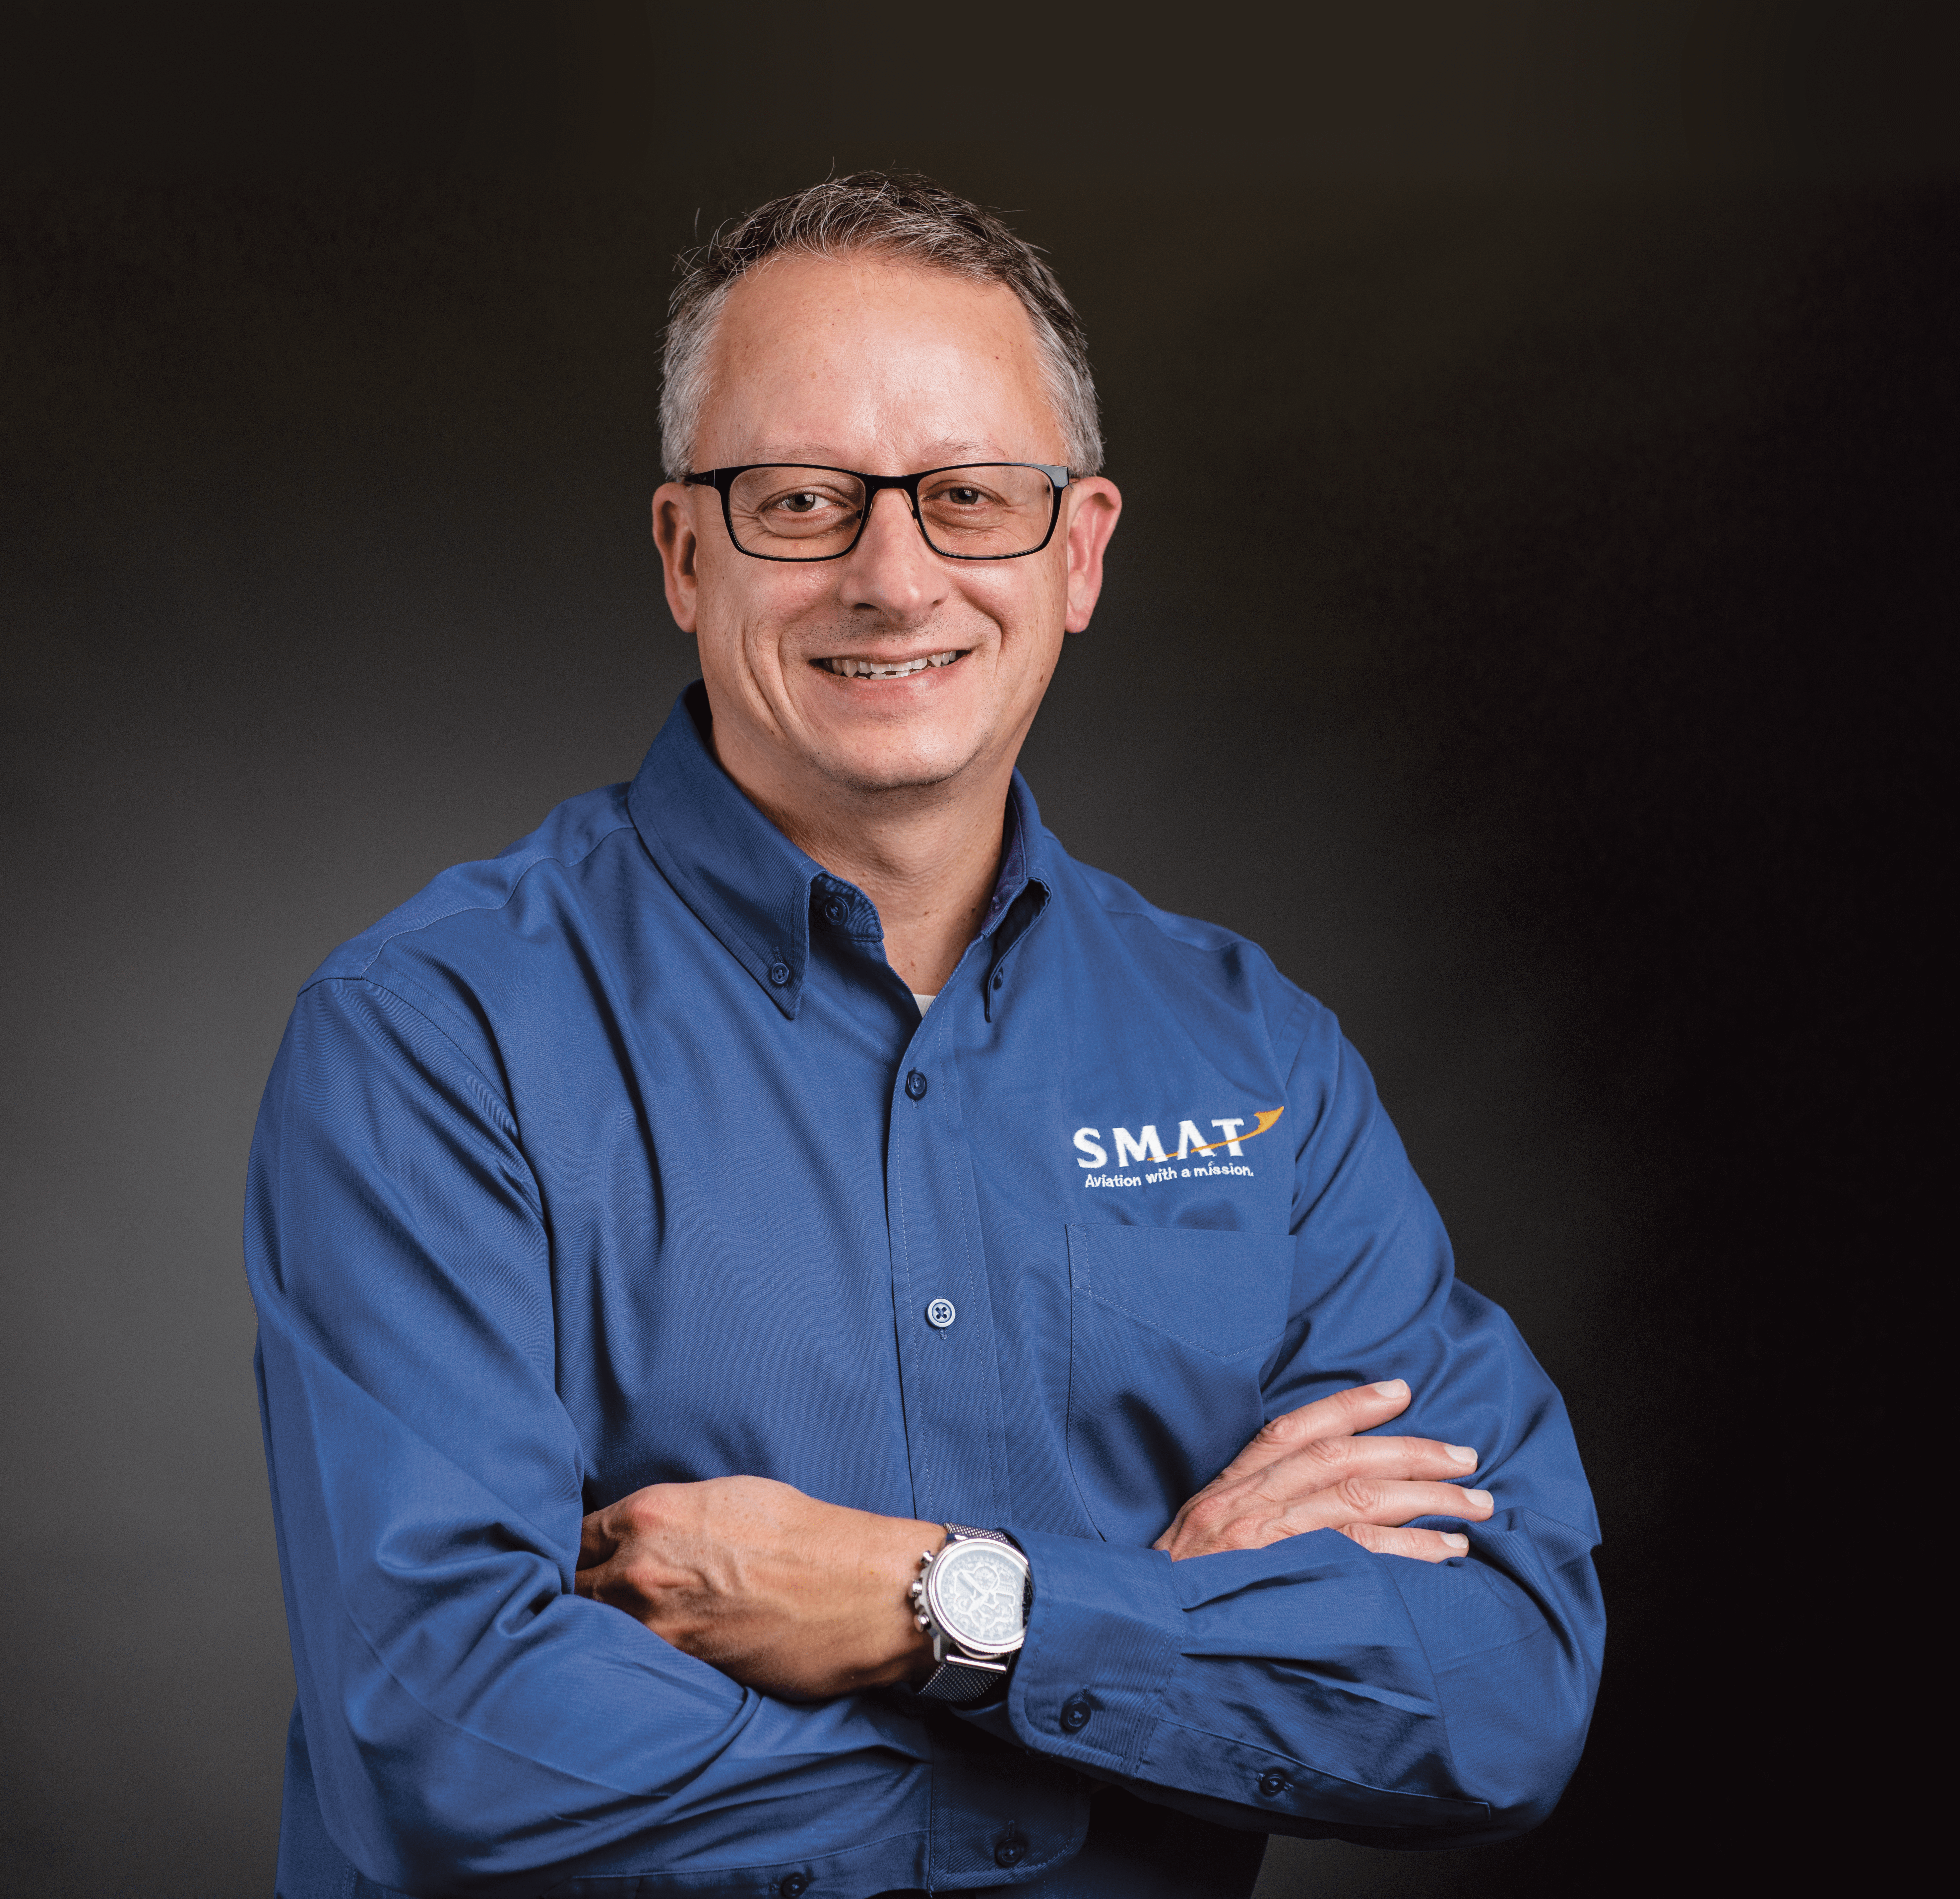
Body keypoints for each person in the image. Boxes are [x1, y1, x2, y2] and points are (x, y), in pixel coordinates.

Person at [246, 173, 1603, 1899]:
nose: (894, 578)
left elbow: (1502, 1682)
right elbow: (457, 1749)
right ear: (685, 550)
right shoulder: (437, 1037)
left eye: (971, 497)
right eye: (802, 500)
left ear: (1079, 550)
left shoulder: (1253, 1056)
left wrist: (947, 1608)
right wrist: (1144, 1664)